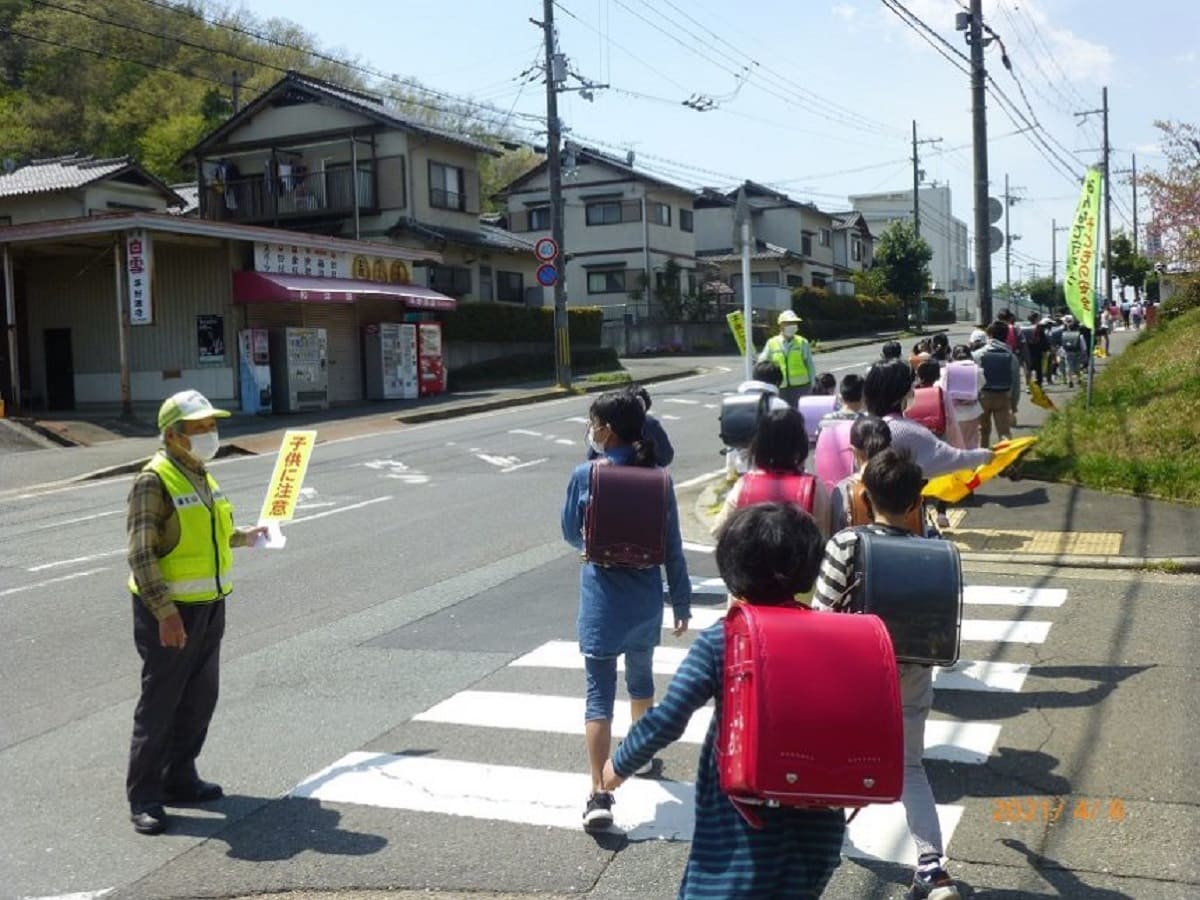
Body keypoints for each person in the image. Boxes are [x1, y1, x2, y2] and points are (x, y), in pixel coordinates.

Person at [602, 503, 844, 899]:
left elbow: (668, 717)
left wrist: (619, 764)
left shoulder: (726, 640)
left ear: (734, 565)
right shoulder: (831, 636)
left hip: (741, 831)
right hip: (817, 832)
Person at [813, 449, 963, 900]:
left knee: (835, 761)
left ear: (864, 494)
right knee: (909, 766)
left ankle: (819, 849)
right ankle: (933, 867)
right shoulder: (936, 551)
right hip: (914, 668)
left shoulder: (847, 544)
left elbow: (822, 613)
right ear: (917, 501)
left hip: (857, 668)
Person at [125, 390, 268, 836]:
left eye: (211, 425)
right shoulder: (155, 479)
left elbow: (211, 537)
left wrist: (248, 537)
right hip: (169, 611)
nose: (210, 434)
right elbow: (141, 554)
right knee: (161, 702)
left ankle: (180, 777)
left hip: (209, 604)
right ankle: (145, 795)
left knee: (199, 698)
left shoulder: (202, 474)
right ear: (172, 435)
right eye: (199, 428)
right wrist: (165, 612)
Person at [562, 390, 691, 832]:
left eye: (593, 423)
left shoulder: (586, 475)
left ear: (606, 430)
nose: (591, 430)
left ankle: (599, 794)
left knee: (598, 695)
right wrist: (683, 602)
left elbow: (568, 532)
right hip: (645, 600)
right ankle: (643, 755)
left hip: (601, 598)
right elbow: (673, 548)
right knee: (641, 680)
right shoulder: (660, 480)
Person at [712, 406, 831, 541]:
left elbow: (718, 530)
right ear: (800, 445)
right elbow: (825, 536)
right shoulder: (813, 489)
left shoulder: (744, 485)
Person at [864, 359, 993, 476]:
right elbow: (949, 459)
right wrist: (985, 456)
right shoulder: (907, 431)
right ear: (901, 393)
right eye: (911, 385)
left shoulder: (861, 425)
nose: (913, 389)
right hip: (900, 499)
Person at [826, 414, 893, 531]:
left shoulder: (843, 491)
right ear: (890, 447)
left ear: (853, 451)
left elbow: (835, 535)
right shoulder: (906, 482)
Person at [726, 361, 792, 478]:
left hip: (740, 470)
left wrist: (730, 471)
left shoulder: (735, 401)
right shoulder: (779, 405)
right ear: (776, 383)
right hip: (770, 473)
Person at [586, 386, 674, 467]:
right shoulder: (662, 478)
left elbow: (591, 457)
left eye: (594, 423)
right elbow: (667, 456)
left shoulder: (589, 473)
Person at [971, 322, 1021, 446]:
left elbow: (972, 380)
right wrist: (1014, 404)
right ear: (1005, 336)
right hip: (1003, 397)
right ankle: (1008, 462)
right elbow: (1016, 383)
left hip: (982, 397)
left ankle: (983, 460)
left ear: (989, 335)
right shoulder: (1011, 356)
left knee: (983, 431)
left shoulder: (977, 355)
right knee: (1004, 432)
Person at [757, 309, 814, 406]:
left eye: (794, 323)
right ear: (781, 325)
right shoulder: (772, 343)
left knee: (800, 414)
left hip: (801, 387)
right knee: (782, 414)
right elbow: (762, 362)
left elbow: (809, 364)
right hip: (780, 387)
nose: (792, 325)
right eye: (789, 323)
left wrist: (812, 383)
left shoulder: (802, 342)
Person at [1060, 315, 1085, 388]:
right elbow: (1083, 345)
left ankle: (1070, 380)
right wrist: (1083, 352)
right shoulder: (1078, 334)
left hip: (1068, 352)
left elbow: (1062, 344)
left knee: (1069, 366)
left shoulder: (1064, 333)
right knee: (1077, 366)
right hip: (1077, 351)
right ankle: (1079, 379)